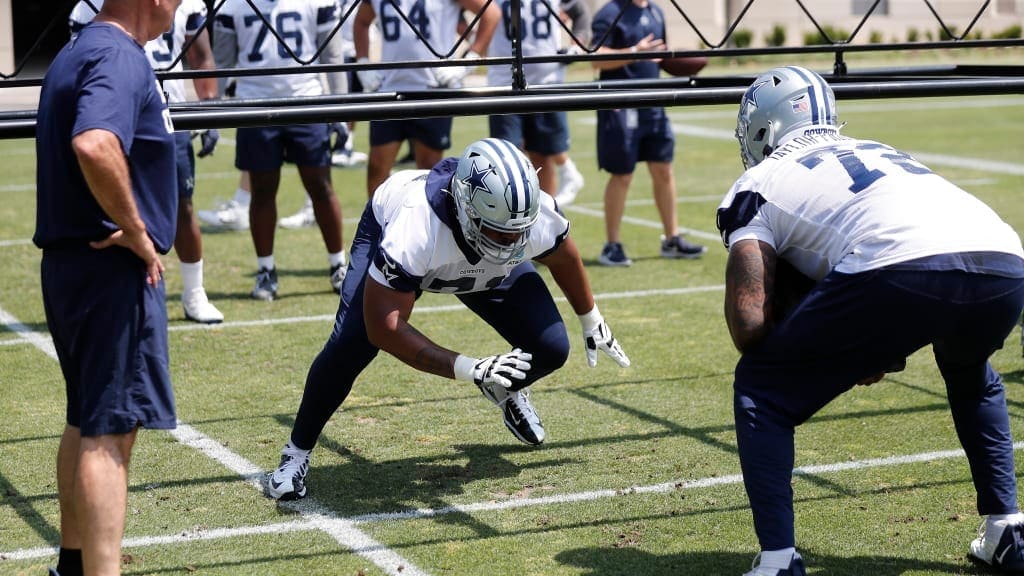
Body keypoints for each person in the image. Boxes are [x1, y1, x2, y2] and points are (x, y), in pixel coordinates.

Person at [717, 65, 1024, 575]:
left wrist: (845, 345)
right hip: (1004, 258)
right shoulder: (879, 147)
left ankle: (777, 560)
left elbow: (748, 323)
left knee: (761, 389)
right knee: (972, 375)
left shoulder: (757, 181)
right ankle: (1008, 530)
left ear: (763, 129)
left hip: (899, 266)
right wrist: (860, 342)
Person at [265, 138, 630, 500]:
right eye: (501, 232)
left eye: (519, 231)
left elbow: (563, 256)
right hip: (409, 245)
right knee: (351, 343)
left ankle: (505, 387)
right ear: (467, 207)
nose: (512, 242)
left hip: (474, 260)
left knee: (550, 346)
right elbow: (384, 327)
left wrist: (589, 317)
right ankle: (296, 453)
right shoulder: (416, 226)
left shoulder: (523, 217)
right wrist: (469, 367)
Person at [35, 0, 182, 574]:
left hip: (73, 268)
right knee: (111, 433)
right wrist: (138, 228)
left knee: (87, 418)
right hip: (109, 273)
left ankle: (72, 565)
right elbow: (95, 143)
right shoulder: (118, 55)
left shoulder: (80, 49)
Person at [69, 0, 224, 324]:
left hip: (167, 114)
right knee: (107, 206)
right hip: (115, 114)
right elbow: (80, 64)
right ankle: (112, 291)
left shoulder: (185, 4)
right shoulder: (88, 9)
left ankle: (195, 291)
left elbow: (200, 56)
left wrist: (209, 109)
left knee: (181, 207)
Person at [214, 0, 349, 300]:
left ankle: (338, 264)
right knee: (262, 190)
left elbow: (333, 56)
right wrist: (215, 108)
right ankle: (266, 270)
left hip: (306, 101)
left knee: (321, 186)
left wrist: (339, 108)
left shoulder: (317, 2)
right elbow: (222, 63)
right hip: (255, 105)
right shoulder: (233, 6)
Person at [590, 0, 706, 266]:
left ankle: (672, 239)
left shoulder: (656, 12)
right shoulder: (608, 14)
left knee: (664, 170)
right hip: (621, 105)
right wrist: (633, 52)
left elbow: (658, 56)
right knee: (622, 175)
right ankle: (612, 245)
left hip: (654, 103)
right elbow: (594, 59)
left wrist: (679, 61)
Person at [353, 0, 499, 196]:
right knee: (378, 169)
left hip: (432, 89)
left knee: (430, 173)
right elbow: (361, 21)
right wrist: (362, 60)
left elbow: (491, 12)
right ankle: (376, 224)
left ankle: (429, 223)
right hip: (390, 89)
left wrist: (469, 61)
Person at [486, 0, 587, 206]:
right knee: (507, 159)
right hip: (505, 81)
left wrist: (577, 46)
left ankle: (545, 215)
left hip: (546, 81)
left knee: (543, 156)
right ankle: (515, 212)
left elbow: (580, 12)